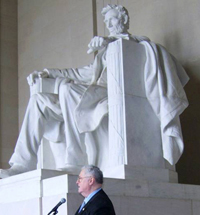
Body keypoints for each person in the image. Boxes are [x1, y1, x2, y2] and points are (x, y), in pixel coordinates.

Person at [0, 4, 189, 178]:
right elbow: (83, 73)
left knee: (66, 88)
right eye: (106, 22)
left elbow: (136, 61)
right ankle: (22, 163)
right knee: (39, 100)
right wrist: (49, 73)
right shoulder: (106, 50)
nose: (110, 24)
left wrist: (110, 43)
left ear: (124, 20)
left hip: (110, 95)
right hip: (88, 97)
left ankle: (76, 159)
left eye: (113, 19)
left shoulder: (136, 46)